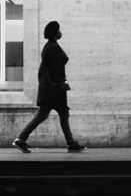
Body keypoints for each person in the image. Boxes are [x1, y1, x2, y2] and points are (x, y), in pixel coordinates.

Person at [12, 20, 85, 153]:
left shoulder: (50, 46)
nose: (60, 32)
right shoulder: (52, 47)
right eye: (58, 30)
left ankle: (22, 139)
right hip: (54, 91)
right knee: (57, 115)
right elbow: (52, 71)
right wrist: (61, 85)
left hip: (51, 90)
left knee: (51, 115)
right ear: (55, 33)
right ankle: (21, 139)